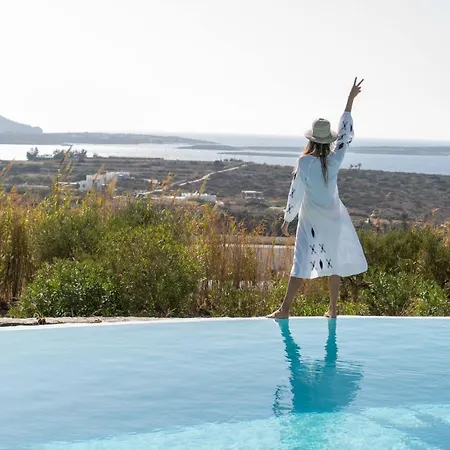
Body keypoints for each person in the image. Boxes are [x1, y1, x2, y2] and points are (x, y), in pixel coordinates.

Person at [268, 78, 368, 319]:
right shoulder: (335, 160)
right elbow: (345, 134)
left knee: (300, 261)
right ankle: (333, 309)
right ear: (328, 140)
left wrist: (287, 219)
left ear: (311, 139)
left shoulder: (304, 162)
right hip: (333, 219)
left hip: (311, 220)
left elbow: (295, 193)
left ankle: (285, 309)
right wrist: (349, 101)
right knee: (333, 262)